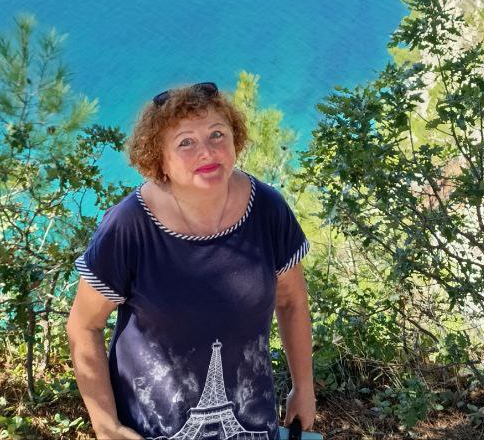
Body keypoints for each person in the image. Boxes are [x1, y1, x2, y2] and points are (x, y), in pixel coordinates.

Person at [66, 81, 315, 440]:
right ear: (160, 160)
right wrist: (106, 425)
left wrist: (303, 387)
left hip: (251, 426)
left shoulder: (267, 208)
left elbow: (291, 301)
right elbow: (83, 325)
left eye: (217, 134)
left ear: (235, 139)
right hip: (149, 430)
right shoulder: (129, 226)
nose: (207, 152)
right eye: (186, 142)